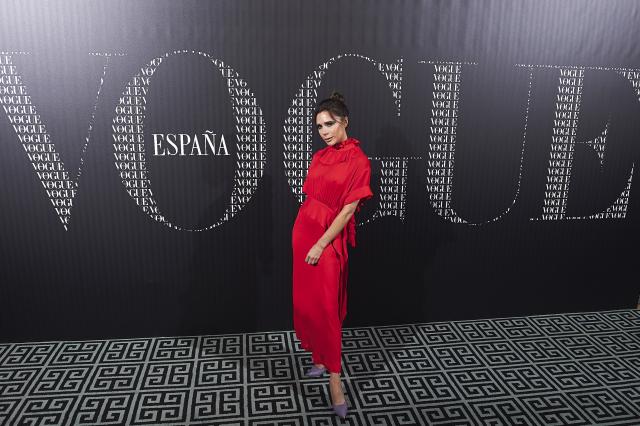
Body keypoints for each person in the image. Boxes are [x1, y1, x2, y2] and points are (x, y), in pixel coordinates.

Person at [292, 91, 373, 419]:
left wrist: (321, 244)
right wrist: (307, 239)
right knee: (308, 304)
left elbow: (348, 211)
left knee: (327, 309)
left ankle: (335, 383)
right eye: (319, 126)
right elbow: (312, 197)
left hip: (326, 240)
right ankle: (319, 359)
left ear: (345, 122)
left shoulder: (359, 161)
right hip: (303, 232)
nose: (324, 131)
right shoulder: (319, 156)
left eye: (329, 124)